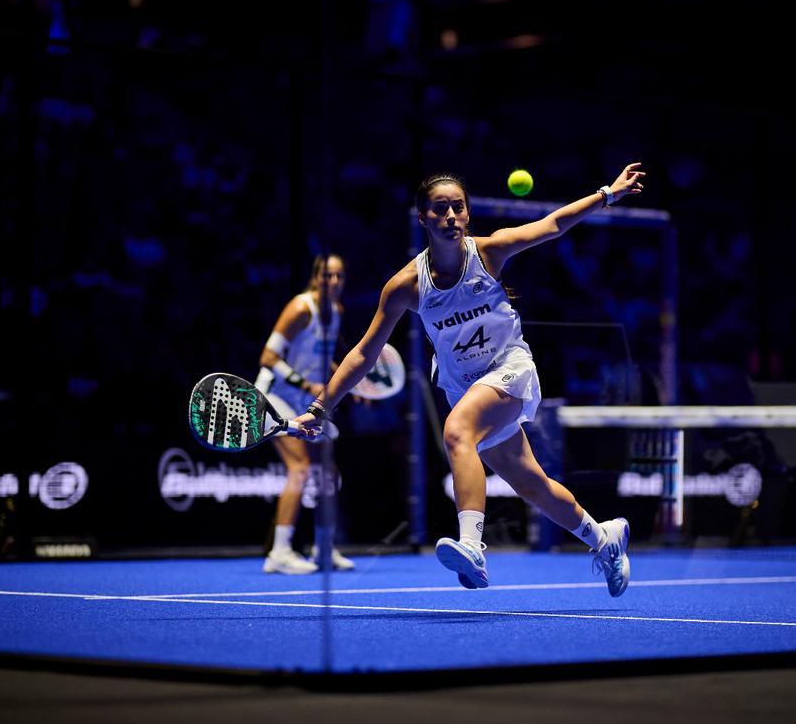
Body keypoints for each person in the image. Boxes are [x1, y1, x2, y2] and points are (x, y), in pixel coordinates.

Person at [291, 165, 646, 595]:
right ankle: (605, 539)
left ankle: (473, 549)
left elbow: (552, 224)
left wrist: (607, 194)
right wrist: (319, 406)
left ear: (467, 214)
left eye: (457, 208)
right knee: (531, 484)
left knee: (457, 431)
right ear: (423, 218)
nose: (451, 217)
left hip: (509, 369)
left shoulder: (490, 252)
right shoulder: (406, 286)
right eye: (439, 210)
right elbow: (365, 353)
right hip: (464, 386)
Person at [255, 253, 356, 575]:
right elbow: (268, 357)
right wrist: (307, 385)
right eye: (327, 276)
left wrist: (346, 380)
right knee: (299, 468)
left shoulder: (336, 312)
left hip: (303, 400)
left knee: (328, 472)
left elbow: (322, 360)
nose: (334, 282)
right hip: (272, 397)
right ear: (316, 279)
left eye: (339, 276)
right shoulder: (300, 309)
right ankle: (279, 553)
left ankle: (324, 551)